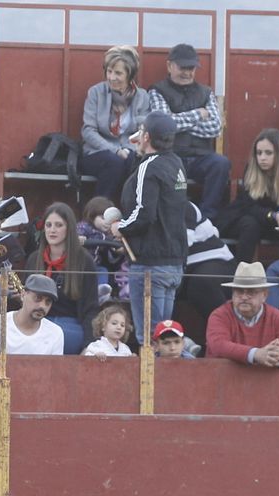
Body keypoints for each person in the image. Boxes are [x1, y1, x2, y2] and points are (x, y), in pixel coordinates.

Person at [112, 111, 187, 342]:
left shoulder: (149, 167)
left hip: (150, 266)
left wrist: (120, 227)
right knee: (165, 336)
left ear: (146, 137)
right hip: (174, 263)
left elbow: (144, 214)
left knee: (150, 338)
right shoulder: (176, 163)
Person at [146, 43, 230, 218]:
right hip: (171, 155)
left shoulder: (206, 92)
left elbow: (215, 127)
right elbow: (163, 125)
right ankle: (171, 219)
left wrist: (177, 123)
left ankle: (208, 219)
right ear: (169, 66)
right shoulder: (156, 91)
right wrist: (198, 114)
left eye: (191, 67)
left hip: (201, 157)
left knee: (221, 163)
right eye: (182, 67)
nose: (187, 72)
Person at [25, 202, 98, 353]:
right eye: (48, 225)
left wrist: (88, 345)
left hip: (70, 325)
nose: (52, 230)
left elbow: (91, 308)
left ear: (69, 229)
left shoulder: (84, 260)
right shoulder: (34, 259)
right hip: (38, 323)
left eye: (58, 225)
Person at [81, 45, 152, 199]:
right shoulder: (96, 93)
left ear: (129, 75)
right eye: (109, 71)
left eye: (118, 73)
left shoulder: (142, 97)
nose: (112, 77)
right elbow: (88, 131)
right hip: (97, 152)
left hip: (130, 150)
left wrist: (127, 149)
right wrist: (115, 150)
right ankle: (100, 213)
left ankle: (131, 213)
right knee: (113, 163)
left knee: (136, 162)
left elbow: (143, 130)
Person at [205, 261, 279, 367]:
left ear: (265, 295)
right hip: (221, 380)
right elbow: (218, 345)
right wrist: (255, 354)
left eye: (251, 292)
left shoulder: (276, 317)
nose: (244, 297)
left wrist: (278, 356)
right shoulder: (220, 315)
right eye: (239, 291)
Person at [218, 128, 279, 263]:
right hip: (249, 217)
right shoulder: (251, 169)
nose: (262, 158)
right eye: (259, 153)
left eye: (268, 153)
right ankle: (241, 271)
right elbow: (248, 206)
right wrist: (273, 215)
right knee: (250, 225)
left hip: (277, 222)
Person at [178, 202, 236, 344]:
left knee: (201, 283)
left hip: (215, 260)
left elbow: (182, 243)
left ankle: (229, 338)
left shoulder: (183, 206)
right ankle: (178, 344)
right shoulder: (142, 211)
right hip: (180, 269)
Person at [0, 274, 63, 355]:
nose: (42, 306)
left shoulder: (55, 333)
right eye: (38, 298)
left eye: (48, 302)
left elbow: (54, 370)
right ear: (23, 295)